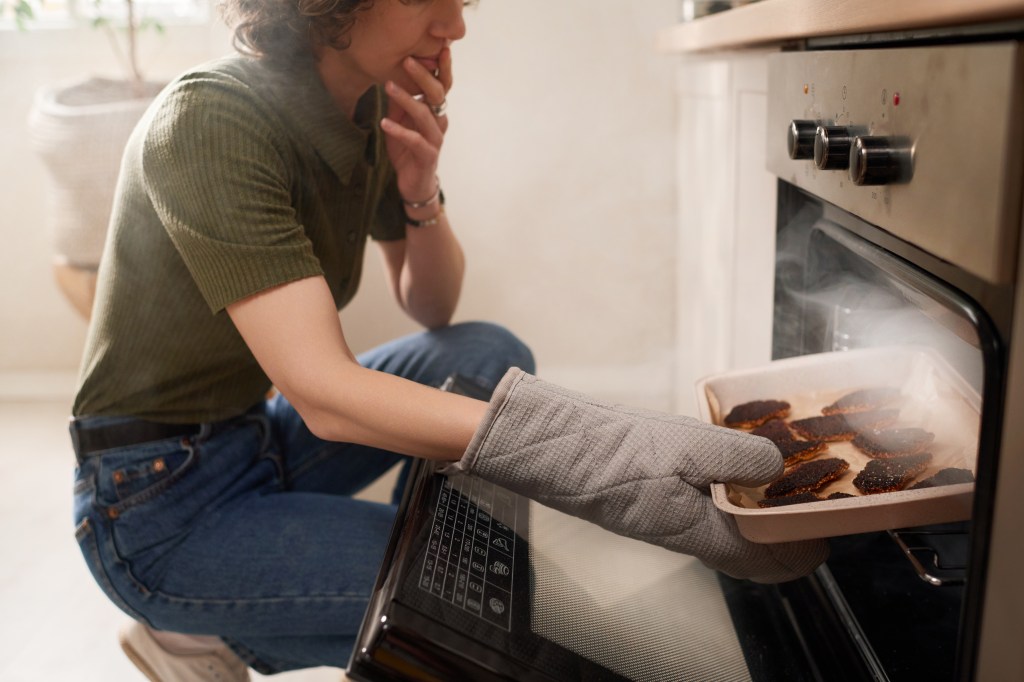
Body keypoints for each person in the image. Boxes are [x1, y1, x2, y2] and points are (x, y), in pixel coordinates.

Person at [68, 0, 828, 679]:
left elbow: (432, 307)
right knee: (450, 604)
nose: (455, 24)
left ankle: (276, 599)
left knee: (481, 354)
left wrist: (418, 184)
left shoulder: (359, 110)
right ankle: (213, 617)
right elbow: (326, 396)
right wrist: (597, 449)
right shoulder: (212, 123)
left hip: (250, 438)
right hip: (154, 504)